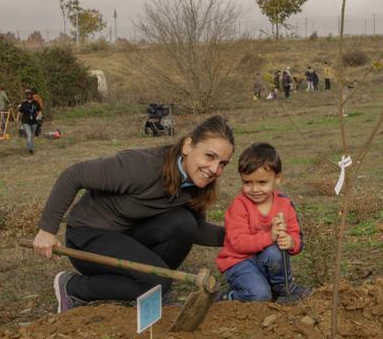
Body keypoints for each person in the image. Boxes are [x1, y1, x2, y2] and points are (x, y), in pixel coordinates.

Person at [31, 115, 235, 313]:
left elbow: (197, 230)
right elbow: (73, 176)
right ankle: (73, 287)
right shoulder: (141, 167)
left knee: (183, 223)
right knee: (159, 280)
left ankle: (150, 289)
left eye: (223, 163)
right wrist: (47, 229)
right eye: (210, 156)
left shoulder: (195, 185)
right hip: (88, 238)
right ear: (188, 146)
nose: (215, 169)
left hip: (126, 237)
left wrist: (243, 237)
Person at [215, 142, 311, 302]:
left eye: (262, 183)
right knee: (260, 296)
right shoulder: (239, 206)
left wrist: (291, 243)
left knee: (275, 252)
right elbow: (238, 243)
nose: (254, 189)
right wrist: (269, 236)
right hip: (239, 262)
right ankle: (228, 297)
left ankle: (284, 288)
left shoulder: (284, 204)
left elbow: (296, 235)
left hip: (264, 260)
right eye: (247, 182)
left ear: (277, 178)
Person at [17, 89, 42, 154]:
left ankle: (30, 146)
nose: (28, 96)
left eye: (30, 95)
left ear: (31, 95)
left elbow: (39, 110)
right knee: (29, 135)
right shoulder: (24, 103)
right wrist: (17, 119)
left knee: (32, 136)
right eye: (27, 95)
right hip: (26, 122)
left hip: (34, 122)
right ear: (26, 96)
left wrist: (39, 116)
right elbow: (20, 111)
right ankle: (31, 149)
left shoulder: (35, 103)